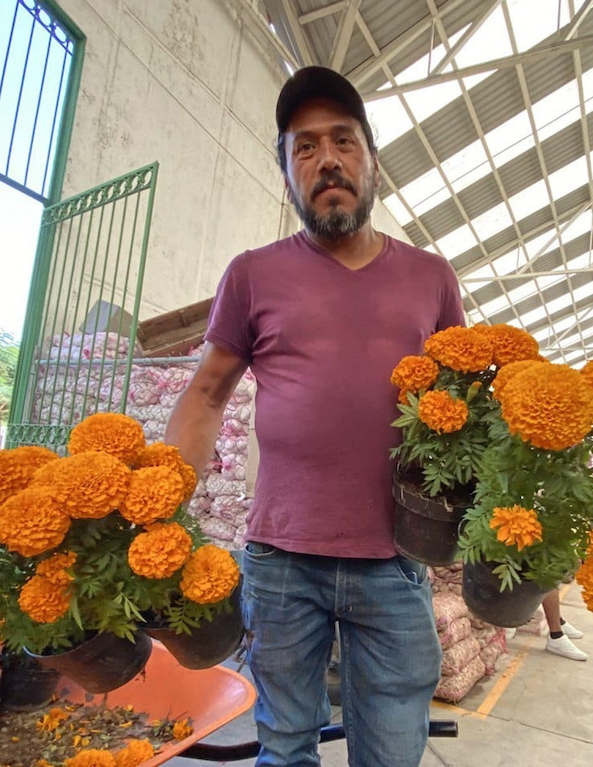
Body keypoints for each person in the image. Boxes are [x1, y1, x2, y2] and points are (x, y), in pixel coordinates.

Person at [165, 66, 464, 767]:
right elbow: (206, 395)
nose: (325, 158)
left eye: (342, 141)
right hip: (279, 560)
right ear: (288, 175)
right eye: (303, 147)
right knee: (284, 747)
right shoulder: (252, 273)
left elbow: (464, 406)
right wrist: (157, 511)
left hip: (393, 560)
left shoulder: (431, 277)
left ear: (371, 161)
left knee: (392, 751)